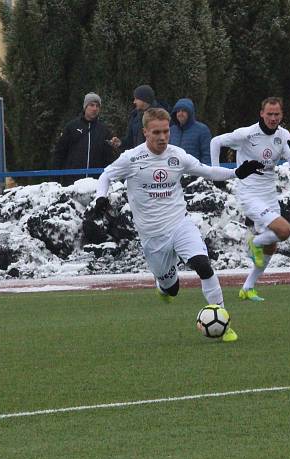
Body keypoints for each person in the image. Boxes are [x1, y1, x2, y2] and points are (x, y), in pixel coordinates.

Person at [93, 107, 264, 342]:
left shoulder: (177, 156)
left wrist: (237, 172)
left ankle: (224, 323)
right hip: (152, 236)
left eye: (166, 132)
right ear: (145, 132)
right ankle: (163, 286)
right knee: (171, 289)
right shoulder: (132, 158)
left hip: (179, 224)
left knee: (203, 266)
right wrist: (101, 197)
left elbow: (207, 171)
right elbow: (105, 175)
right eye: (156, 132)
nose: (162, 137)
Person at [209, 97, 290, 303]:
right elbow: (216, 142)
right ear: (261, 113)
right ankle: (254, 243)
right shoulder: (247, 134)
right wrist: (216, 173)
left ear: (281, 115)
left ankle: (248, 287)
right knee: (285, 231)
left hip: (269, 194)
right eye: (269, 114)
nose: (273, 118)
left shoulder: (283, 135)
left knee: (273, 244)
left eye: (277, 114)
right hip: (249, 193)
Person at [52, 92, 120, 185]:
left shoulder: (104, 130)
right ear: (85, 107)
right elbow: (59, 153)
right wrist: (55, 180)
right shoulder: (71, 127)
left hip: (96, 183)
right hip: (72, 182)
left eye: (97, 106)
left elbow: (109, 158)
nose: (94, 109)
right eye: (91, 105)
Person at [169, 98, 212, 164]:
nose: (180, 113)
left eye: (184, 111)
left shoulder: (202, 130)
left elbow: (207, 155)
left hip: (194, 171)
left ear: (190, 113)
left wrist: (202, 172)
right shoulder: (171, 130)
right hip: (174, 170)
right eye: (178, 111)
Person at [121, 84, 160, 151]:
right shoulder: (134, 116)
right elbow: (130, 141)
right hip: (137, 158)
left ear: (144, 99)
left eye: (136, 99)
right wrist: (120, 143)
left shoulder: (160, 116)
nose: (134, 102)